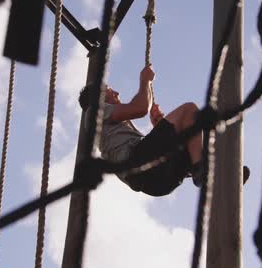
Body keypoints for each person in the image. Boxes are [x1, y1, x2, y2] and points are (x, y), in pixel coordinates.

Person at [79, 65, 248, 196]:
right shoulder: (93, 112)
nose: (116, 92)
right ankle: (200, 170)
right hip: (138, 165)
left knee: (190, 141)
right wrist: (145, 80)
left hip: (156, 182)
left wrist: (158, 125)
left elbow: (147, 122)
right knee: (189, 110)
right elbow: (140, 107)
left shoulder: (111, 128)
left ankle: (221, 178)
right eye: (109, 91)